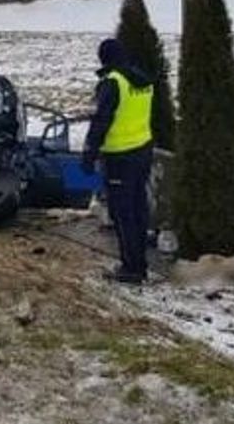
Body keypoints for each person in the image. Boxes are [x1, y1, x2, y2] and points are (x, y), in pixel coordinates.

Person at [82, 38, 155, 285]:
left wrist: (89, 154)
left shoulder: (113, 83)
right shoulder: (142, 79)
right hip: (142, 150)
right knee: (138, 208)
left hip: (119, 157)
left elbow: (101, 121)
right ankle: (140, 263)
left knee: (122, 213)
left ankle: (131, 268)